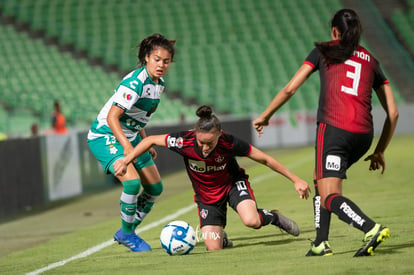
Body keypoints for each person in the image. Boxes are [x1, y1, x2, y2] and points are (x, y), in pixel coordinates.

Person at [253, 9, 399, 257]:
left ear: (334, 31)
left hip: (334, 130)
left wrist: (265, 116)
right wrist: (380, 151)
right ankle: (321, 243)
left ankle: (370, 228)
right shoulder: (371, 61)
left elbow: (290, 89)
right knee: (319, 179)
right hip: (364, 135)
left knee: (329, 194)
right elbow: (393, 113)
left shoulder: (325, 50)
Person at [114, 105, 311, 251]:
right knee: (214, 247)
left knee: (251, 221)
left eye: (210, 143)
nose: (205, 148)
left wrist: (296, 179)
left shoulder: (229, 142)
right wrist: (126, 160)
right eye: (201, 143)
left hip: (232, 185)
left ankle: (273, 217)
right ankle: (222, 238)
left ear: (219, 134)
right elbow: (149, 140)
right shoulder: (184, 141)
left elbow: (265, 159)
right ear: (195, 134)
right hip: (207, 198)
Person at [87, 33, 176, 252]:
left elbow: (138, 117)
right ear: (146, 58)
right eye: (157, 59)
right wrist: (128, 149)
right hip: (105, 135)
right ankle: (128, 234)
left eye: (166, 61)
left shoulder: (159, 83)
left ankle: (127, 230)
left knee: (155, 188)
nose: (161, 65)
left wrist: (145, 142)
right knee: (132, 184)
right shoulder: (135, 82)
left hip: (132, 136)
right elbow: (112, 117)